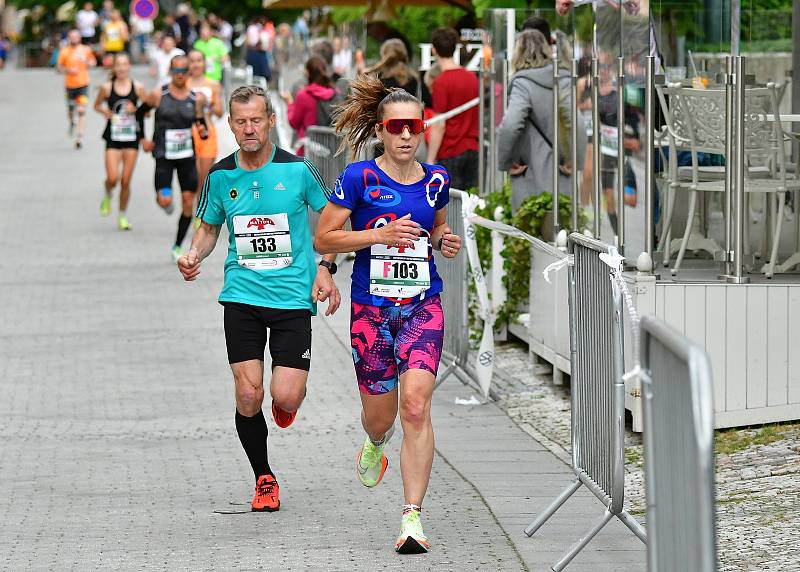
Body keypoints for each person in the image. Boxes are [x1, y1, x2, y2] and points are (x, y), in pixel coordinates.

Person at [315, 74, 462, 554]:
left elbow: (436, 228)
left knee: (416, 405)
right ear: (380, 130)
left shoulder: (437, 179)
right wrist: (376, 237)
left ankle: (412, 518)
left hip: (422, 305)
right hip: (371, 314)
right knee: (380, 418)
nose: (405, 135)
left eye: (413, 126)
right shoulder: (359, 178)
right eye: (396, 126)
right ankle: (375, 441)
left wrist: (443, 240)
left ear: (421, 129)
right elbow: (325, 238)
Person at [177, 84, 341, 513]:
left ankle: (286, 405)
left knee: (283, 397)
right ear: (230, 124)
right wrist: (194, 253)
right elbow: (209, 227)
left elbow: (333, 221)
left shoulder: (299, 170)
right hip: (242, 296)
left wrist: (326, 266)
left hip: (291, 299)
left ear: (271, 121)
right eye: (240, 121)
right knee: (248, 396)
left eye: (256, 120)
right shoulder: (220, 175)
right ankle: (264, 477)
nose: (249, 129)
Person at [496, 30, 586, 213]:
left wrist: (506, 162)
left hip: (528, 171)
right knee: (561, 230)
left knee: (529, 232)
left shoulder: (522, 83)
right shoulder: (563, 79)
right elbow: (576, 122)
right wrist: (574, 159)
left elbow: (511, 125)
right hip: (561, 170)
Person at [141, 54, 204, 261]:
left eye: (184, 71)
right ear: (170, 71)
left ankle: (177, 245)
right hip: (164, 156)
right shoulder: (159, 95)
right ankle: (165, 202)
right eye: (176, 71)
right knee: (165, 198)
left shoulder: (196, 98)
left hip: (186, 156)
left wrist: (203, 130)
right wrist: (143, 139)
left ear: (189, 72)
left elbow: (200, 121)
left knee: (188, 202)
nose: (180, 75)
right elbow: (139, 113)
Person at [93, 52, 147, 230]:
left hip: (131, 138)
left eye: (125, 64)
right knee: (112, 178)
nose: (122, 68)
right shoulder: (107, 87)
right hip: (113, 137)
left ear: (129, 66)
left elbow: (148, 111)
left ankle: (122, 216)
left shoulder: (138, 87)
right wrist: (105, 112)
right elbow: (96, 105)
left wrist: (136, 109)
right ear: (114, 68)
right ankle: (108, 193)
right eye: (119, 65)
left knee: (125, 181)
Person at [425, 27, 479, 190]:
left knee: (452, 205)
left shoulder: (441, 82)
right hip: (472, 147)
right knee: (471, 203)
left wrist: (430, 158)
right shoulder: (471, 77)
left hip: (451, 150)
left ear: (434, 50)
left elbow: (439, 124)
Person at [281, 56, 339, 156]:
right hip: (331, 154)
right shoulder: (335, 94)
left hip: (308, 153)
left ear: (307, 73)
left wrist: (290, 103)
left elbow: (293, 122)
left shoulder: (303, 95)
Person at [187, 49, 223, 206]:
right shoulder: (183, 84)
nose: (195, 64)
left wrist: (207, 103)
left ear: (204, 63)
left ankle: (199, 216)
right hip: (187, 132)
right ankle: (190, 210)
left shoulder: (213, 85)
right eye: (192, 61)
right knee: (192, 180)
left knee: (204, 178)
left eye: (199, 60)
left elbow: (220, 112)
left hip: (207, 133)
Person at [57, 29, 97, 149]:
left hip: (83, 84)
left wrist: (85, 61)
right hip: (69, 85)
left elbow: (93, 63)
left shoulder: (85, 50)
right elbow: (59, 67)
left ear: (79, 38)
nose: (74, 39)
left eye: (76, 37)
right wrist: (68, 70)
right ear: (69, 38)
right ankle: (71, 121)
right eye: (72, 37)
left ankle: (79, 137)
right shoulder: (64, 51)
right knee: (70, 110)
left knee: (81, 110)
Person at [245, 17, 271, 82]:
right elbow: (248, 41)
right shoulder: (252, 29)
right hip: (254, 51)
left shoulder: (265, 31)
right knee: (253, 72)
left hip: (262, 53)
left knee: (264, 73)